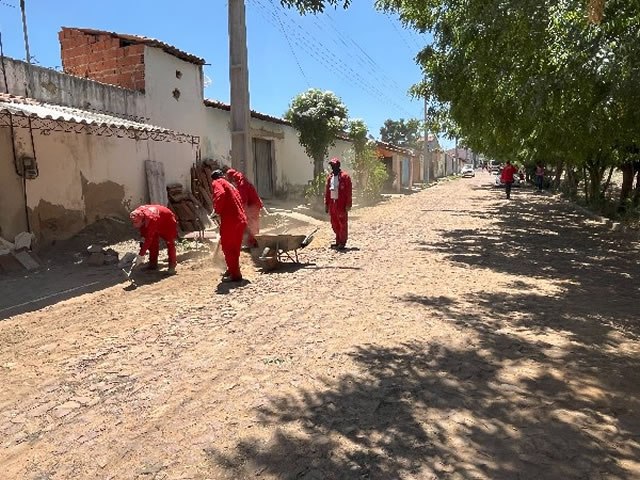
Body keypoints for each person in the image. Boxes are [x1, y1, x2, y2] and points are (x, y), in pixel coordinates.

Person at [211, 169, 248, 282]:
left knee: (228, 248)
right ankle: (232, 269)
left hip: (230, 221)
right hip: (240, 220)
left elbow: (220, 194)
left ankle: (235, 275)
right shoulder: (231, 185)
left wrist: (216, 211)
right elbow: (239, 200)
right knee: (235, 248)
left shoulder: (217, 182)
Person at [129, 205, 178, 274]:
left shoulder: (152, 219)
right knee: (153, 244)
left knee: (169, 242)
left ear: (142, 220)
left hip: (167, 221)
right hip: (157, 219)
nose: (134, 225)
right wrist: (142, 241)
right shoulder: (137, 213)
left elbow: (148, 239)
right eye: (133, 222)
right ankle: (153, 264)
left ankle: (172, 265)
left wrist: (141, 255)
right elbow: (144, 233)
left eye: (136, 223)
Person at [226, 168, 264, 248]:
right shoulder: (241, 180)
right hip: (252, 204)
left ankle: (253, 244)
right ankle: (250, 242)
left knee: (251, 225)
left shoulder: (241, 184)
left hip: (253, 206)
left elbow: (243, 200)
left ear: (232, 178)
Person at [324, 157, 352, 249]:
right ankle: (338, 241)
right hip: (333, 203)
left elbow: (348, 191)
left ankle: (342, 242)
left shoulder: (345, 177)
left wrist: (348, 204)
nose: (333, 167)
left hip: (341, 203)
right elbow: (327, 192)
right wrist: (327, 204)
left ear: (338, 166)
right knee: (334, 223)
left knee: (342, 223)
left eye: (334, 165)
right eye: (331, 165)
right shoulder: (330, 177)